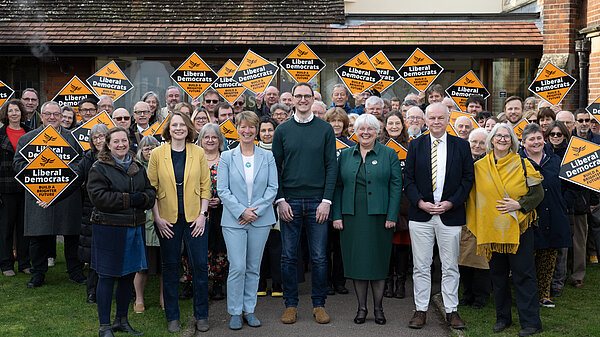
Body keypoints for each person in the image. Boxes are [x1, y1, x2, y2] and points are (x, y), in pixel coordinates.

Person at [466, 123, 544, 336]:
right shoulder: (479, 166)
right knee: (498, 276)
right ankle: (503, 319)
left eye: (507, 136)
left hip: (519, 227)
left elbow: (538, 194)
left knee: (523, 275)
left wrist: (520, 204)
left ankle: (531, 323)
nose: (502, 139)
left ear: (512, 141)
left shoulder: (523, 163)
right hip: (492, 230)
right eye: (498, 136)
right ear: (491, 140)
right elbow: (469, 193)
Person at [404, 102, 474, 330]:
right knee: (421, 266)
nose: (436, 121)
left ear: (447, 119)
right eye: (431, 118)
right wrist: (420, 203)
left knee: (450, 265)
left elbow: (467, 180)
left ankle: (451, 311)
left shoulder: (461, 146)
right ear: (425, 120)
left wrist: (451, 203)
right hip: (421, 215)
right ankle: (420, 310)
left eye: (440, 118)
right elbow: (409, 180)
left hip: (450, 215)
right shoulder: (415, 146)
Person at [272, 82, 337, 325]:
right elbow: (275, 169)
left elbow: (332, 166)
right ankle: (290, 305)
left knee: (319, 257)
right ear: (292, 100)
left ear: (313, 99)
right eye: (297, 96)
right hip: (289, 202)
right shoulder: (282, 131)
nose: (302, 99)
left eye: (306, 96)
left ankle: (319, 304)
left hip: (317, 203)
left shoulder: (325, 129)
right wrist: (280, 200)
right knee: (289, 256)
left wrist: (326, 201)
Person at [86, 126, 156, 337]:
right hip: (109, 228)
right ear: (108, 144)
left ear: (129, 142)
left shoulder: (137, 166)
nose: (121, 145)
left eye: (124, 140)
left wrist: (142, 198)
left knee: (128, 276)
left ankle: (121, 321)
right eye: (115, 141)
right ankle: (104, 326)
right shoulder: (99, 167)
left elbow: (150, 191)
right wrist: (129, 199)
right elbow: (99, 198)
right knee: (107, 277)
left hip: (134, 227)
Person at [333, 114, 402, 325]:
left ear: (377, 131)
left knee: (379, 263)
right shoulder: (344, 155)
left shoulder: (389, 154)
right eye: (361, 128)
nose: (365, 132)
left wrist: (392, 215)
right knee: (357, 264)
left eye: (370, 129)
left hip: (380, 218)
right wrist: (336, 216)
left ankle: (379, 308)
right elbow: (337, 187)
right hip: (351, 218)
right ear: (355, 131)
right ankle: (362, 308)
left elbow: (396, 186)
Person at [147, 112, 211, 333]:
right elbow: (151, 189)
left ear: (188, 128)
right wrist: (157, 218)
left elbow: (206, 187)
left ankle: (202, 314)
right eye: (174, 125)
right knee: (171, 267)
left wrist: (203, 215)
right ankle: (172, 316)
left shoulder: (199, 152)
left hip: (196, 219)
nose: (178, 128)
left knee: (200, 267)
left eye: (182, 124)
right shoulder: (156, 154)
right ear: (169, 128)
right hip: (167, 220)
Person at [13, 101, 86, 288]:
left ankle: (75, 272)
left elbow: (80, 163)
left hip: (67, 195)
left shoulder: (73, 139)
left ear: (62, 117)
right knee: (38, 237)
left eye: (56, 114)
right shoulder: (27, 139)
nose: (52, 117)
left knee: (72, 235)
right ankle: (38, 273)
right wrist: (38, 170)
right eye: (48, 114)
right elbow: (18, 164)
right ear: (41, 116)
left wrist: (64, 174)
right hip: (39, 196)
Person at [217, 111, 278, 330]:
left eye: (251, 127)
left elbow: (272, 188)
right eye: (243, 126)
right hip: (234, 220)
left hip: (260, 220)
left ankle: (248, 310)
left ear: (257, 130)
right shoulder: (226, 157)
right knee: (238, 266)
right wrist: (242, 211)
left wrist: (256, 211)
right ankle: (234, 311)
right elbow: (222, 189)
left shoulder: (267, 156)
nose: (247, 130)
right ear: (237, 128)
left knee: (253, 267)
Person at [519, 123, 571, 309]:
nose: (536, 142)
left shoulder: (555, 160)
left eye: (539, 138)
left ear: (544, 139)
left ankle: (544, 295)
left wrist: (564, 203)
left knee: (548, 257)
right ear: (523, 142)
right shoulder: (518, 162)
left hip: (554, 216)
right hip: (530, 218)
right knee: (527, 260)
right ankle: (527, 296)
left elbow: (568, 186)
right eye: (531, 139)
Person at [379, 111, 411, 299]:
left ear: (402, 125)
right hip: (385, 201)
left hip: (405, 204)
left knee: (402, 246)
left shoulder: (411, 146)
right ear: (385, 126)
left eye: (397, 123)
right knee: (386, 246)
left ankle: (401, 283)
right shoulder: (380, 146)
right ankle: (388, 282)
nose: (393, 126)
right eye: (390, 123)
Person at [76, 124, 109, 304]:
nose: (98, 140)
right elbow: (74, 180)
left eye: (102, 136)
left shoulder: (116, 156)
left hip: (112, 209)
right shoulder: (87, 158)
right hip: (91, 210)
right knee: (93, 253)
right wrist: (51, 198)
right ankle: (93, 291)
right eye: (95, 137)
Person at [458, 128, 490, 310]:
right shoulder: (461, 160)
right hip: (463, 214)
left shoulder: (490, 163)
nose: (477, 146)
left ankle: (481, 296)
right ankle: (467, 293)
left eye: (481, 143)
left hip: (483, 216)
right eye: (474, 142)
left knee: (481, 260)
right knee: (463, 258)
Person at [0, 99, 31, 277]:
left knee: (24, 228)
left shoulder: (30, 133)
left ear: (22, 113)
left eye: (17, 110)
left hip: (27, 188)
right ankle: (6, 264)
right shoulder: (0, 134)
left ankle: (25, 262)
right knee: (5, 227)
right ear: (6, 114)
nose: (14, 114)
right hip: (6, 187)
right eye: (10, 111)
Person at [133, 135, 163, 313]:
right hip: (143, 223)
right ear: (141, 151)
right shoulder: (136, 169)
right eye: (146, 149)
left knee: (163, 265)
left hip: (164, 221)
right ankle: (138, 299)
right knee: (142, 266)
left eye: (153, 148)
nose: (150, 152)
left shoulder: (165, 165)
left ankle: (163, 297)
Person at [198, 123, 228, 301]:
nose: (210, 140)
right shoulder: (194, 157)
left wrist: (221, 199)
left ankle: (217, 282)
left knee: (219, 246)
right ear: (201, 140)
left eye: (214, 137)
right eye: (206, 137)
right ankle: (192, 282)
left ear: (220, 140)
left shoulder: (226, 159)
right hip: (197, 210)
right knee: (196, 246)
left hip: (221, 210)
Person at [256, 117, 283, 297]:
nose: (266, 134)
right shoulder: (253, 151)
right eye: (263, 130)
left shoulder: (282, 150)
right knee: (259, 245)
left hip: (278, 203)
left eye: (270, 130)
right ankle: (260, 282)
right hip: (258, 204)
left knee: (277, 245)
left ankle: (278, 283)